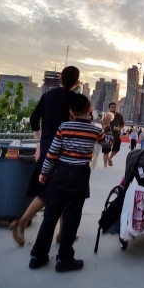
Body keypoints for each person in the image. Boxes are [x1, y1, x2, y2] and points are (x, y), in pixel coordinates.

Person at [29, 94, 113, 271]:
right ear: (89, 109)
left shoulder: (64, 127)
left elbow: (52, 152)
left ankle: (38, 255)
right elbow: (108, 144)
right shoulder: (94, 130)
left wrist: (44, 173)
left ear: (70, 111)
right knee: (71, 217)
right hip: (80, 175)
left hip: (60, 172)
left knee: (50, 215)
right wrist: (106, 126)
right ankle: (64, 259)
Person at [10, 66, 80, 246]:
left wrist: (39, 142)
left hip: (48, 144)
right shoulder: (76, 100)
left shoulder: (48, 96)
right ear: (77, 82)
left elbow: (34, 119)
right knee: (56, 190)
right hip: (64, 149)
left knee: (58, 190)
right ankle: (23, 221)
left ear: (60, 79)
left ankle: (63, 234)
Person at [102, 102, 124, 167]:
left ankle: (110, 157)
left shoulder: (119, 116)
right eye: (112, 107)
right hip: (107, 136)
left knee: (116, 149)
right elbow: (102, 125)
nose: (113, 108)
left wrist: (119, 128)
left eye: (114, 107)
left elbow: (123, 125)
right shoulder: (105, 115)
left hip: (117, 136)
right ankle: (105, 166)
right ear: (109, 108)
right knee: (106, 151)